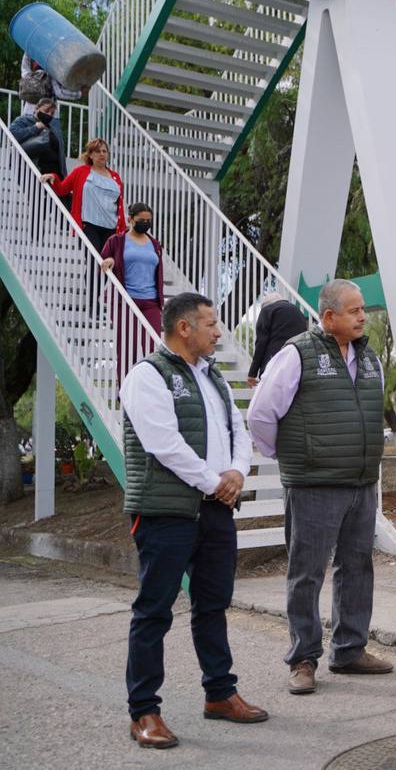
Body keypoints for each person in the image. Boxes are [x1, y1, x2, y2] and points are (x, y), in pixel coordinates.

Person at [119, 292, 267, 749]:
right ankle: (144, 711)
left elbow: (237, 432)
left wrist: (238, 472)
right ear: (184, 328)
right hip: (167, 512)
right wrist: (213, 482)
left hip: (216, 510)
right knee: (154, 611)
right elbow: (163, 443)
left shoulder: (215, 379)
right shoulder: (147, 376)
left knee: (212, 605)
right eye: (211, 324)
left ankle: (219, 694)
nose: (218, 332)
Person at [246, 279, 393, 695]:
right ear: (329, 317)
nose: (363, 316)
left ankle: (349, 649)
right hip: (313, 484)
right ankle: (303, 658)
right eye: (354, 311)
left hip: (361, 483)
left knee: (357, 567)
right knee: (306, 573)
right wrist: (292, 456)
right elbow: (260, 414)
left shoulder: (369, 359)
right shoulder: (296, 354)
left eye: (363, 310)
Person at [40, 137, 125, 253]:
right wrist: (53, 177)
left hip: (112, 227)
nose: (101, 154)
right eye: (97, 151)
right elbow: (62, 189)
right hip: (88, 225)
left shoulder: (115, 176)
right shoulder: (80, 171)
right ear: (90, 155)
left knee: (106, 266)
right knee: (93, 260)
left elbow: (118, 205)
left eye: (104, 151)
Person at [101, 203, 164, 335]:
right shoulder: (116, 241)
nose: (145, 223)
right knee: (127, 347)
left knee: (153, 345)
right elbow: (103, 262)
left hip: (150, 302)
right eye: (141, 221)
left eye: (148, 221)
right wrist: (111, 260)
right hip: (124, 300)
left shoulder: (155, 244)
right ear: (130, 219)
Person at [247, 293, 309, 388]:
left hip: (275, 364)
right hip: (298, 364)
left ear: (265, 305)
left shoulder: (267, 310)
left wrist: (252, 373)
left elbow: (261, 343)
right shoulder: (298, 311)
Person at [9, 97, 67, 180]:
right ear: (36, 109)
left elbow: (61, 155)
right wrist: (35, 128)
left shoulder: (54, 129)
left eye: (52, 113)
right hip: (33, 172)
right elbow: (12, 135)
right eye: (46, 111)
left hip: (54, 175)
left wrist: (63, 176)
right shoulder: (24, 120)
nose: (49, 115)